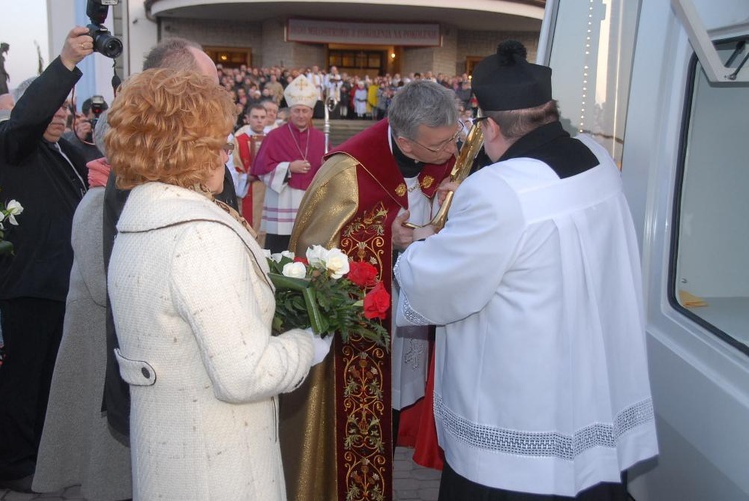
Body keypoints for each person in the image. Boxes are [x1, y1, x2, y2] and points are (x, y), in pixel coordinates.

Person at [393, 41, 659, 500]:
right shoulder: (596, 158)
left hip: (519, 414)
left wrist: (407, 250)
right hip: (588, 384)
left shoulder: (499, 188)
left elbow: (441, 285)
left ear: (492, 126)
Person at [105, 67, 331, 501]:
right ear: (193, 150)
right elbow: (245, 375)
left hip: (167, 456)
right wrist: (311, 341)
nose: (227, 155)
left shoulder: (139, 216)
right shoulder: (199, 234)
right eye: (222, 144)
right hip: (219, 465)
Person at [285, 79, 459, 501]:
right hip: (365, 327)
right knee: (366, 413)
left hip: (416, 316)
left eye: (453, 138)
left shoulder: (452, 158)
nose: (451, 153)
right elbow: (314, 249)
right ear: (406, 142)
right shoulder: (348, 169)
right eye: (438, 147)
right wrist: (386, 235)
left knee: (399, 401)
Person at [101, 36, 241, 443]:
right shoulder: (149, 168)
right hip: (174, 376)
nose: (221, 95)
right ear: (181, 91)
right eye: (211, 86)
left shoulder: (193, 155)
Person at [0, 27, 93, 493]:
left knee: (49, 383)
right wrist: (65, 65)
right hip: (30, 284)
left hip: (63, 285)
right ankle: (14, 463)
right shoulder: (13, 144)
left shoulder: (67, 153)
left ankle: (41, 454)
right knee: (23, 380)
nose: (58, 114)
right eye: (51, 106)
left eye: (64, 107)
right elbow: (28, 117)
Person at [31, 111, 132, 500]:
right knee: (96, 441)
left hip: (106, 338)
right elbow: (101, 284)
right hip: (95, 340)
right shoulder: (98, 201)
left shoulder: (117, 194)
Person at [252, 75, 325, 253]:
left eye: (305, 111)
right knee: (279, 249)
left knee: (306, 248)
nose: (301, 115)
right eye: (297, 110)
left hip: (308, 200)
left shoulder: (321, 138)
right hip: (282, 200)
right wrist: (289, 168)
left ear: (311, 113)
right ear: (290, 112)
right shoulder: (274, 136)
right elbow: (261, 169)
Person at [233, 103, 268, 244]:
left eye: (262, 117)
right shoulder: (238, 141)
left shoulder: (273, 139)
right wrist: (247, 176)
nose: (259, 121)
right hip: (249, 192)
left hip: (269, 192)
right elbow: (232, 170)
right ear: (247, 118)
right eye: (255, 117)